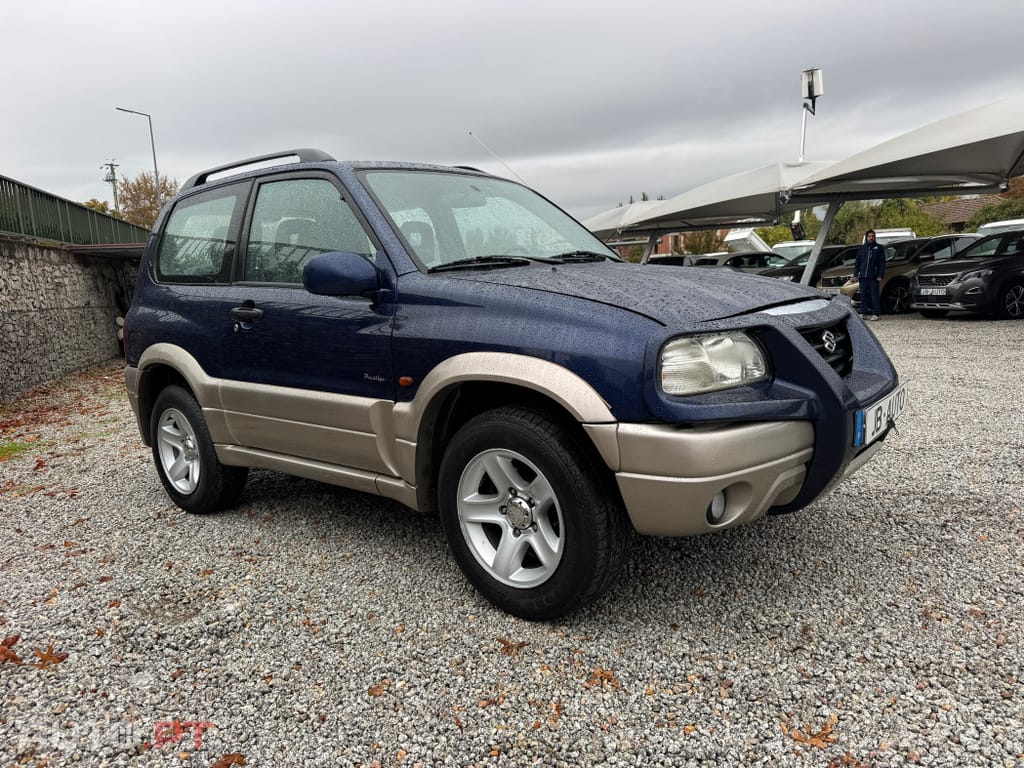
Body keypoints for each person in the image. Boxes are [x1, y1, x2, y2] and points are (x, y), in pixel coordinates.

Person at [854, 229, 885, 320]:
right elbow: (857, 262)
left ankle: (876, 313)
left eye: (872, 236)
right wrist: (855, 274)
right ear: (866, 237)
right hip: (863, 276)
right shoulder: (862, 248)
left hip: (874, 276)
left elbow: (882, 263)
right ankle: (863, 312)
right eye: (869, 236)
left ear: (874, 237)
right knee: (863, 295)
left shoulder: (879, 248)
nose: (871, 238)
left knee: (874, 295)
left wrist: (880, 275)